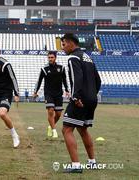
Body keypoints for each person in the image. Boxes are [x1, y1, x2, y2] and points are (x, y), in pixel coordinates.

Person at [61, 33, 101, 173]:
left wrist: (75, 97)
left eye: (64, 44)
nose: (63, 48)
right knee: (82, 129)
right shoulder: (88, 57)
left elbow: (76, 78)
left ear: (71, 43)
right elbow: (98, 80)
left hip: (80, 99)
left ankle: (76, 166)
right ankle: (92, 162)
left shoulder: (73, 57)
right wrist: (92, 95)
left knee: (66, 129)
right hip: (92, 99)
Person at [32, 51, 70, 138]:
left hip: (58, 94)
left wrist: (67, 90)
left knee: (58, 114)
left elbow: (65, 80)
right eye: (49, 57)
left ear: (55, 58)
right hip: (48, 93)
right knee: (50, 110)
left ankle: (50, 126)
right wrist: (35, 92)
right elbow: (39, 81)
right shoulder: (44, 69)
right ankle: (54, 130)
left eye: (52, 57)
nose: (50, 59)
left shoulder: (61, 68)